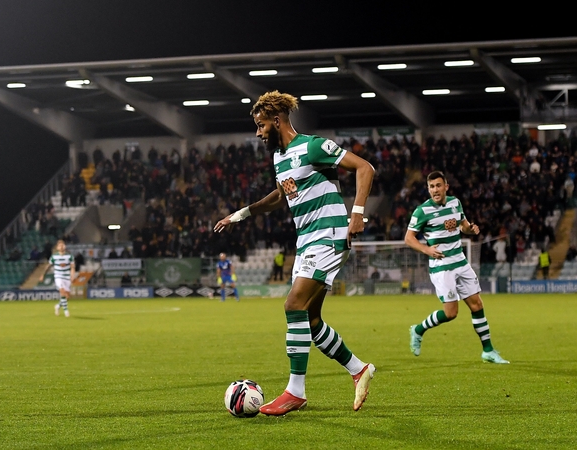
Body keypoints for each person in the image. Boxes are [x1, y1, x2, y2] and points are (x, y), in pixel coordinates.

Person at [214, 91, 376, 415]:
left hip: (328, 236)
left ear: (277, 121)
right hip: (306, 241)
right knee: (311, 320)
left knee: (293, 304)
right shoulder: (279, 158)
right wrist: (241, 214)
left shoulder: (313, 146)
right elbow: (280, 196)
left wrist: (356, 213)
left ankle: (295, 391)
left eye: (261, 126)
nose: (258, 133)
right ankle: (359, 369)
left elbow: (365, 168)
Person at [405, 171, 508, 364]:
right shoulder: (422, 211)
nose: (435, 190)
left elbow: (463, 225)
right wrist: (426, 250)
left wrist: (470, 229)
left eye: (438, 185)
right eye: (431, 187)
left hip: (460, 261)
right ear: (428, 189)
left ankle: (488, 351)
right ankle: (418, 329)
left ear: (446, 187)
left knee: (477, 304)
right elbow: (408, 238)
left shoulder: (455, 203)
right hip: (442, 266)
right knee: (451, 313)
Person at [40, 239, 75, 317]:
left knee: (67, 296)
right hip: (58, 276)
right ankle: (66, 311)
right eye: (60, 245)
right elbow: (48, 266)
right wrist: (43, 275)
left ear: (65, 246)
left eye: (63, 245)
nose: (62, 247)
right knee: (62, 291)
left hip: (66, 277)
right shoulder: (54, 256)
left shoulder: (69, 256)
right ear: (57, 247)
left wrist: (72, 275)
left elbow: (72, 267)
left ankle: (58, 306)